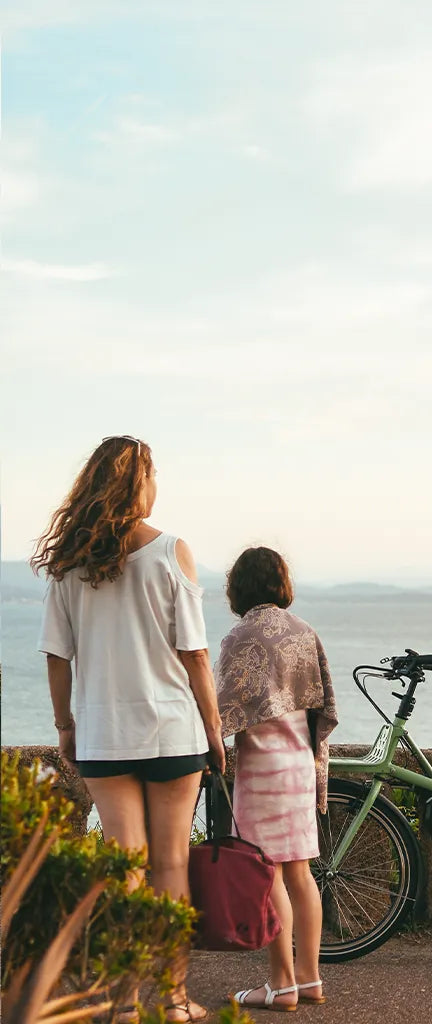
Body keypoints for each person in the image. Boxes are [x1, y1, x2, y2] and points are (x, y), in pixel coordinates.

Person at [34, 435, 225, 1023]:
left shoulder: (69, 562)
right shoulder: (170, 550)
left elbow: (56, 656)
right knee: (170, 865)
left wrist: (66, 727)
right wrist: (215, 734)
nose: (156, 485)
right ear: (136, 483)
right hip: (171, 731)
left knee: (127, 867)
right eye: (152, 474)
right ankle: (169, 999)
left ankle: (121, 1002)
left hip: (102, 735)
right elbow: (194, 654)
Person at [215, 547, 338, 1011]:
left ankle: (280, 985)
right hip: (301, 766)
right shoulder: (305, 633)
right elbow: (323, 706)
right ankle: (310, 980)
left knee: (267, 878)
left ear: (238, 587)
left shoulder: (239, 637)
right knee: (301, 874)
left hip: (262, 769)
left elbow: (221, 713)